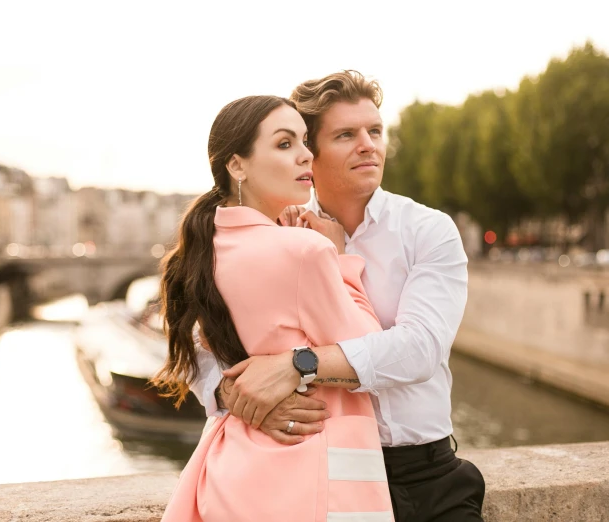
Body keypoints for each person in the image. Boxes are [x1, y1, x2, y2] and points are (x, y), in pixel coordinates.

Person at [190, 71, 486, 521]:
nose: (369, 144)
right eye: (346, 135)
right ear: (313, 152)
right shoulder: (275, 233)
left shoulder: (428, 230)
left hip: (424, 477)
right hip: (313, 471)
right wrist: (239, 398)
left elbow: (420, 350)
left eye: (375, 131)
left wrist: (295, 365)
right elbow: (198, 343)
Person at [155, 95, 394, 521]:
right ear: (237, 165)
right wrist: (340, 260)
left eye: (304, 141)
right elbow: (369, 349)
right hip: (309, 477)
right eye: (285, 144)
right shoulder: (305, 250)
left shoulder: (201, 251)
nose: (306, 155)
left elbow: (198, 353)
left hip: (231, 471)